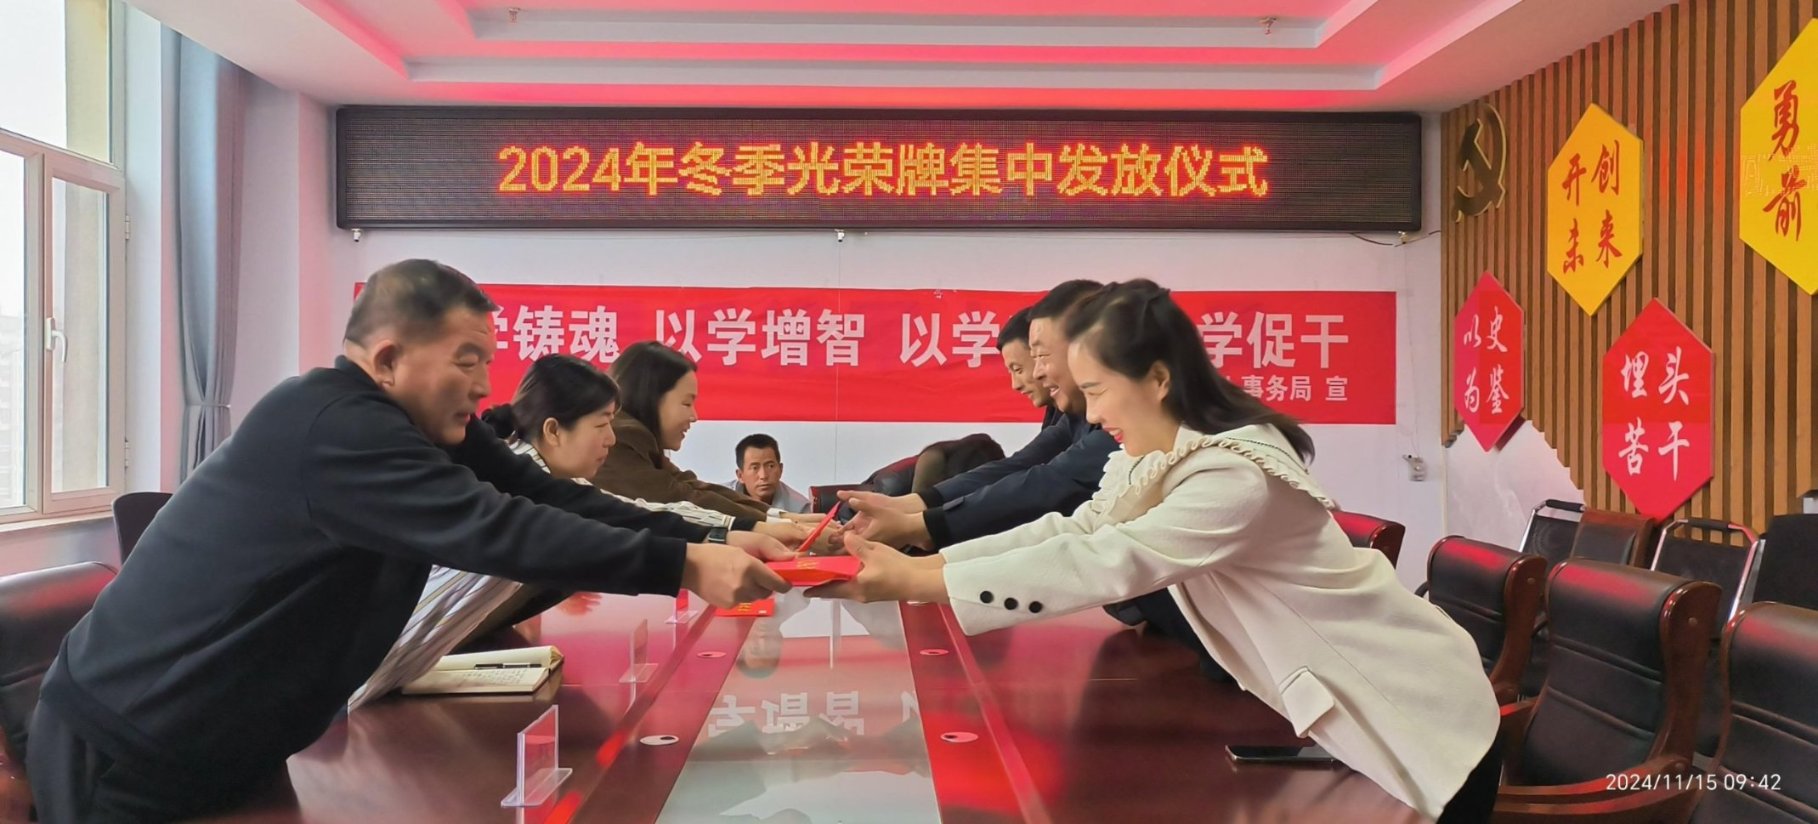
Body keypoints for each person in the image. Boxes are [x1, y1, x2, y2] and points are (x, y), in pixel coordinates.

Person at [25, 260, 793, 822]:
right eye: (466, 362)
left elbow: (545, 494)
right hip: (134, 742)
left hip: (230, 737)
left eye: (486, 362)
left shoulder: (422, 428)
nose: (484, 386)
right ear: (389, 359)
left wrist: (721, 535)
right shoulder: (336, 428)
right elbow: (498, 529)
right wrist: (683, 563)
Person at [811, 280, 1502, 823]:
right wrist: (924, 568)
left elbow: (1109, 561)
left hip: (1419, 709)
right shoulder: (1155, 453)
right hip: (1355, 706)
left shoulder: (1234, 473)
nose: (1091, 414)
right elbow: (1078, 530)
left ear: (1159, 379)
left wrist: (915, 582)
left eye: (1097, 391)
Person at [352, 354, 813, 709]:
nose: (610, 439)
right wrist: (693, 559)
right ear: (554, 430)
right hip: (363, 689)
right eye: (601, 425)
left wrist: (736, 532)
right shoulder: (513, 491)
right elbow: (601, 524)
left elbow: (632, 510)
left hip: (397, 674)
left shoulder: (546, 479)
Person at [599, 342, 817, 524]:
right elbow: (682, 499)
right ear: (651, 399)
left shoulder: (640, 439)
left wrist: (785, 518)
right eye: (686, 403)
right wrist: (780, 524)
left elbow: (692, 486)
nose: (694, 416)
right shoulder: (620, 438)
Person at [728, 434, 813, 514]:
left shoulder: (799, 508)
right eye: (755, 468)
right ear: (740, 476)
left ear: (781, 470)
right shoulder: (722, 498)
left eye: (770, 466)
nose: (763, 476)